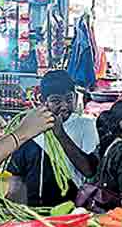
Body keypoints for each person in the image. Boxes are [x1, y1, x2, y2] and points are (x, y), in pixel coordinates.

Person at [6, 70, 99, 208]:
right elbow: (17, 176)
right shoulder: (29, 127)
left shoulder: (86, 125)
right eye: (56, 101)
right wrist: (12, 206)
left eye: (69, 99)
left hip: (72, 209)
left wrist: (60, 133)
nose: (64, 106)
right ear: (43, 101)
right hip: (34, 212)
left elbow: (89, 170)